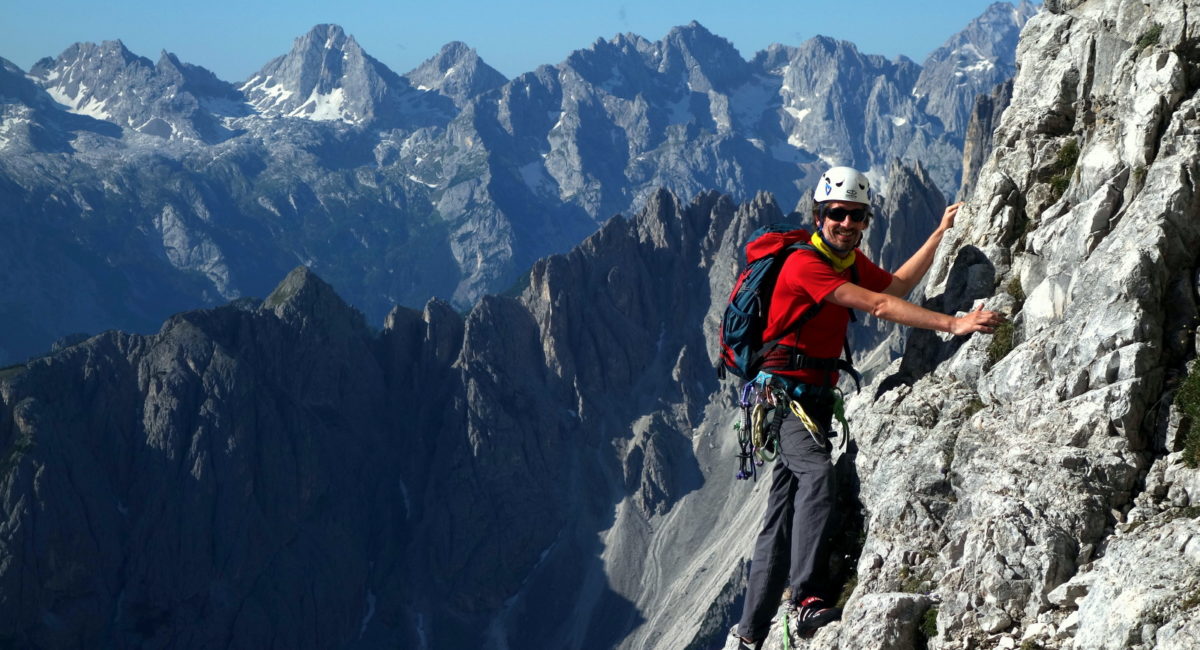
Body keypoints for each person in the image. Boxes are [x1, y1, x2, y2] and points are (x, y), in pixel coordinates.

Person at [733, 166, 1004, 648]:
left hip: (809, 400)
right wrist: (954, 324)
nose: (847, 223)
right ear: (820, 216)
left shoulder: (846, 261)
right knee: (816, 476)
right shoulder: (806, 266)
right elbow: (878, 308)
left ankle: (752, 632)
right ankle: (805, 602)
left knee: (780, 515)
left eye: (857, 216)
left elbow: (893, 288)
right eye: (838, 214)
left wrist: (940, 235)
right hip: (784, 400)